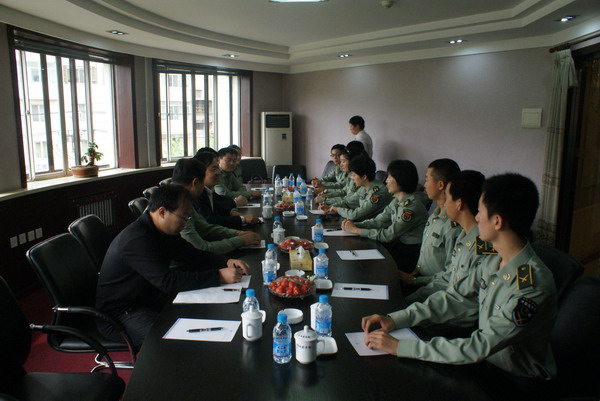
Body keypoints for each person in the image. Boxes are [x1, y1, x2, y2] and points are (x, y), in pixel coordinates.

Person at [362, 173, 557, 390]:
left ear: (497, 221)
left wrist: (402, 347)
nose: (477, 218)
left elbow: (480, 345)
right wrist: (397, 319)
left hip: (515, 383)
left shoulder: (531, 285)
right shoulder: (493, 260)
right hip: (485, 363)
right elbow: (456, 298)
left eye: (480, 211)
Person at [96, 184, 250, 350]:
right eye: (183, 217)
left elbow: (190, 254)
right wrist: (218, 276)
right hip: (122, 315)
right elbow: (168, 282)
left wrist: (225, 261)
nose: (185, 223)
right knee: (175, 342)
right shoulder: (136, 240)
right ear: (162, 212)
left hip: (148, 298)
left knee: (200, 314)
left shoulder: (161, 230)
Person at [341, 160, 428, 272]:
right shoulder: (396, 200)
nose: (386, 181)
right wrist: (354, 225)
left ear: (400, 180)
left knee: (370, 268)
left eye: (390, 177)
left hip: (410, 253)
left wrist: (356, 230)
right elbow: (379, 221)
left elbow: (389, 235)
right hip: (398, 245)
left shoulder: (411, 207)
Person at [171, 158, 261, 254]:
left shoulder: (183, 199)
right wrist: (240, 240)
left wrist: (236, 233)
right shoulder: (176, 205)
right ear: (196, 183)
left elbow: (205, 228)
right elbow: (202, 249)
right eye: (203, 183)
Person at [399, 159, 462, 290]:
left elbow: (450, 276)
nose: (424, 185)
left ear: (440, 185)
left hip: (433, 289)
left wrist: (415, 280)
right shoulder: (434, 215)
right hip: (418, 278)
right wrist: (412, 277)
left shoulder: (454, 227)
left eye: (427, 180)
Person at [194, 151, 260, 229]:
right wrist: (242, 219)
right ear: (200, 172)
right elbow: (209, 220)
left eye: (217, 168)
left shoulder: (208, 190)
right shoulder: (197, 194)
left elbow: (219, 203)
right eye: (214, 168)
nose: (218, 172)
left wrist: (231, 212)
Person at [319, 155, 391, 222]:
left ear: (364, 177)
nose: (351, 178)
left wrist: (338, 209)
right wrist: (330, 207)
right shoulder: (364, 187)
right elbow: (348, 202)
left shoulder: (378, 192)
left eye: (354, 175)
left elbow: (355, 215)